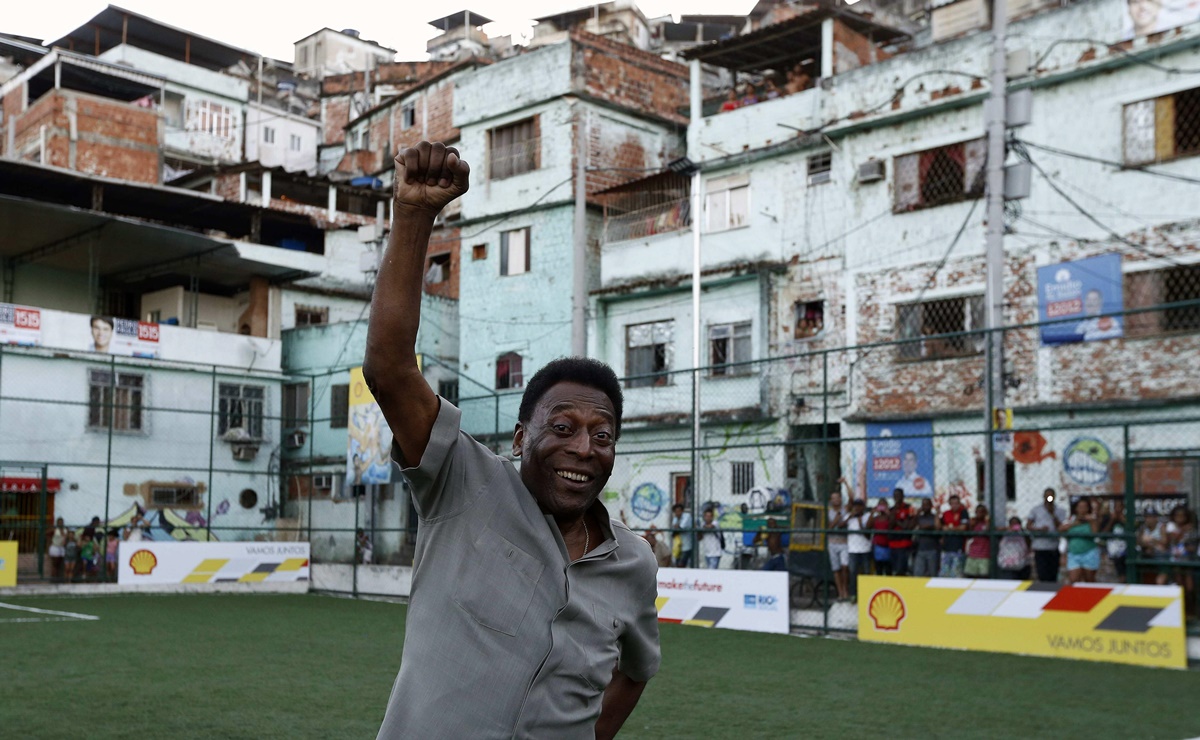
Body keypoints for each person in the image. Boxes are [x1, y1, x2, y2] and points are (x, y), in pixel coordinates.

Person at [367, 142, 658, 739]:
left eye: (602, 435)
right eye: (563, 427)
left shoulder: (634, 562)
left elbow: (636, 670)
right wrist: (416, 217)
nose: (584, 447)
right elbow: (390, 368)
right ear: (522, 435)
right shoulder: (462, 482)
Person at [1165, 505, 1197, 618]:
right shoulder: (1171, 527)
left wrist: (1190, 546)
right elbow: (1172, 541)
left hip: (1188, 560)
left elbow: (1193, 544)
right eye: (1177, 516)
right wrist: (1182, 531)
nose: (1180, 518)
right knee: (1179, 585)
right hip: (1175, 560)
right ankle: (1180, 612)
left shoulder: (1192, 528)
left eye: (1182, 516)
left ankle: (1191, 611)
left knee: (1189, 587)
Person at [1027, 488, 1065, 582]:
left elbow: (1060, 527)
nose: (1049, 498)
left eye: (1051, 496)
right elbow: (1028, 525)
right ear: (1043, 496)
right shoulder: (1036, 510)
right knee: (1042, 573)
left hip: (1053, 546)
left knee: (1053, 574)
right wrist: (1039, 529)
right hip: (1040, 546)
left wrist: (1052, 514)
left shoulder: (1060, 510)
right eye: (1047, 496)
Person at [1059, 497, 1100, 584]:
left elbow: (1095, 534)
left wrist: (1091, 521)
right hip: (1074, 554)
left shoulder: (1092, 519)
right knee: (1073, 579)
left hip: (1089, 552)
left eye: (1085, 507)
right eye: (1080, 507)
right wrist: (1076, 523)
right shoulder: (1071, 519)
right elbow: (1061, 529)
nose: (1082, 509)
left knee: (1089, 579)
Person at [827, 484, 851, 600]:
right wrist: (836, 520)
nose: (836, 500)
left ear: (841, 499)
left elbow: (852, 498)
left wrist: (845, 483)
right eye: (833, 498)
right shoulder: (828, 512)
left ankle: (846, 590)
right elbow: (827, 528)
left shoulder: (845, 509)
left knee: (844, 567)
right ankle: (840, 592)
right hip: (832, 543)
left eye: (838, 497)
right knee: (836, 569)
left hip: (844, 542)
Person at [845, 499, 872, 599]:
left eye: (859, 506)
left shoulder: (867, 516)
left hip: (865, 549)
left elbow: (867, 534)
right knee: (853, 572)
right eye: (855, 506)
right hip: (853, 549)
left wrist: (860, 522)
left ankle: (867, 594)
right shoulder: (849, 516)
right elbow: (841, 526)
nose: (857, 508)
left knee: (866, 572)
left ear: (863, 507)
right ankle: (853, 594)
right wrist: (850, 517)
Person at [939, 495, 970, 577]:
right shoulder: (946, 513)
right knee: (944, 573)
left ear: (959, 503)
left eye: (956, 503)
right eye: (952, 503)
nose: (954, 505)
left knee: (956, 573)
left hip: (958, 547)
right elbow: (941, 526)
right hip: (946, 547)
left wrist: (951, 528)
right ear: (949, 504)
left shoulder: (963, 512)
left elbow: (963, 527)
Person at [1138, 508, 1170, 585]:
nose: (1148, 519)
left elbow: (1164, 542)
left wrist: (1152, 540)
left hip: (1160, 556)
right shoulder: (1143, 527)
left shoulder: (1161, 527)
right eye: (1147, 517)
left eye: (1151, 517)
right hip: (1147, 555)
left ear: (1156, 518)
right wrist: (1150, 544)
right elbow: (1139, 541)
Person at [888, 489, 916, 577]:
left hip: (904, 543)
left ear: (903, 496)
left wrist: (896, 521)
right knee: (894, 569)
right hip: (892, 543)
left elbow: (908, 526)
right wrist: (899, 522)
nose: (897, 497)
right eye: (895, 495)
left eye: (899, 495)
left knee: (902, 569)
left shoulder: (909, 508)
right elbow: (890, 526)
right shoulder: (891, 509)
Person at [1100, 499, 1128, 582]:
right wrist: (1112, 520)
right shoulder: (1108, 518)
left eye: (1120, 506)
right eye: (1116, 507)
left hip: (1125, 550)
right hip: (1111, 549)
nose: (1117, 509)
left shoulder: (1127, 519)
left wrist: (1123, 520)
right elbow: (1103, 534)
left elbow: (1132, 530)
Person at [912, 498, 940, 577]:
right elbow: (913, 526)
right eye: (923, 505)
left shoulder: (934, 517)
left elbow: (937, 527)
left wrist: (937, 513)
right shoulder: (919, 518)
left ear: (931, 506)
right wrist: (917, 514)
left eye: (927, 505)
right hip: (920, 549)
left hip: (932, 549)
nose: (925, 507)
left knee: (932, 573)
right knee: (918, 573)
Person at [964, 505, 991, 577]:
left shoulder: (987, 522)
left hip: (984, 554)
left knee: (983, 576)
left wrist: (987, 520)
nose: (979, 514)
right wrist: (972, 525)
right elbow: (969, 535)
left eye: (982, 512)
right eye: (978, 512)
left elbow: (988, 530)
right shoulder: (973, 522)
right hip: (973, 553)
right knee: (970, 575)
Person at [867, 498, 892, 576]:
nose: (882, 507)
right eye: (880, 505)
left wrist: (888, 513)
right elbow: (868, 526)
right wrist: (872, 513)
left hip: (888, 545)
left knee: (888, 568)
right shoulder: (876, 518)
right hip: (878, 546)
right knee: (878, 568)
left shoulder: (889, 517)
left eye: (884, 505)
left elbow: (893, 524)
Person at [671, 502, 694, 568]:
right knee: (677, 563)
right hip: (678, 546)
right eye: (676, 511)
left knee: (682, 564)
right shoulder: (675, 518)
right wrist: (676, 527)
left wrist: (677, 527)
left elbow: (681, 527)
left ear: (682, 511)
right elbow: (674, 529)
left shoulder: (687, 516)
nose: (678, 513)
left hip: (687, 545)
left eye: (679, 511)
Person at [47, 517, 68, 582]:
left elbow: (66, 537)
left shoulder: (65, 530)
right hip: (55, 546)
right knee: (55, 563)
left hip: (61, 547)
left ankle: (59, 578)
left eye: (61, 522)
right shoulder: (55, 529)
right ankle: (53, 578)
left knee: (60, 563)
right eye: (59, 523)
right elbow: (47, 534)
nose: (60, 524)